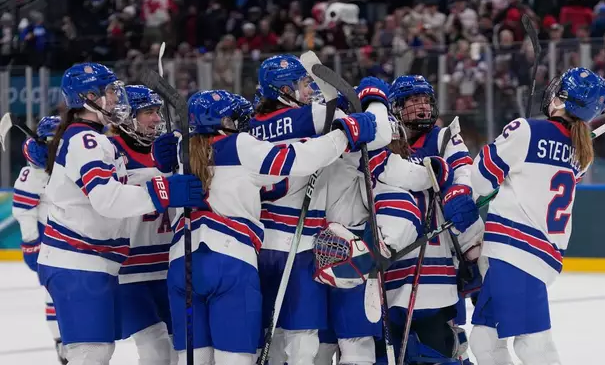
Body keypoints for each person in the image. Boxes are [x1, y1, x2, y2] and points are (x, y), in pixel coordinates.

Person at [166, 89, 377, 365]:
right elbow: (298, 159)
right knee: (236, 359)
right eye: (233, 117)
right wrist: (343, 135)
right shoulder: (238, 145)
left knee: (192, 359)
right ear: (221, 122)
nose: (242, 123)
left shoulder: (179, 153)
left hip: (182, 262)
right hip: (230, 261)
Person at [36, 63, 205, 365]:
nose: (116, 98)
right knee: (90, 355)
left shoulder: (88, 138)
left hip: (92, 264)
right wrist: (164, 191)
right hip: (79, 262)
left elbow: (122, 185)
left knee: (98, 353)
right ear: (88, 97)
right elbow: (108, 199)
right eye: (110, 92)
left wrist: (159, 169)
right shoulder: (87, 140)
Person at [250, 55, 392, 365]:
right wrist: (376, 101)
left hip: (258, 246)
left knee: (267, 339)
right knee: (302, 344)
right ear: (283, 90)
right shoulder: (311, 118)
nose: (309, 90)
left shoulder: (247, 128)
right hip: (298, 247)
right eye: (302, 84)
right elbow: (381, 133)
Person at [468, 67, 605, 365]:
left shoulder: (525, 129)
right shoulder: (580, 154)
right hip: (537, 253)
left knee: (534, 346)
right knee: (484, 338)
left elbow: (479, 182)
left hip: (516, 250)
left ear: (560, 100)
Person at [378, 74, 484, 363]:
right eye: (413, 100)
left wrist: (459, 190)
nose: (422, 107)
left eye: (425, 100)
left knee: (438, 350)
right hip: (389, 269)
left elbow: (462, 165)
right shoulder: (382, 144)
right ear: (395, 107)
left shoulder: (443, 137)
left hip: (434, 270)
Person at [112, 85, 177, 365]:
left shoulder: (170, 149)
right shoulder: (108, 151)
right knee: (155, 352)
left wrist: (179, 165)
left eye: (157, 112)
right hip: (129, 273)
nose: (156, 119)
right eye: (147, 112)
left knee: (182, 351)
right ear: (126, 116)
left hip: (171, 268)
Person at [12, 116, 67, 364]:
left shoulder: (72, 162)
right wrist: (31, 243)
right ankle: (60, 342)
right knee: (53, 295)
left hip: (79, 240)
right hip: (50, 244)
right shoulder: (33, 172)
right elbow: (24, 211)